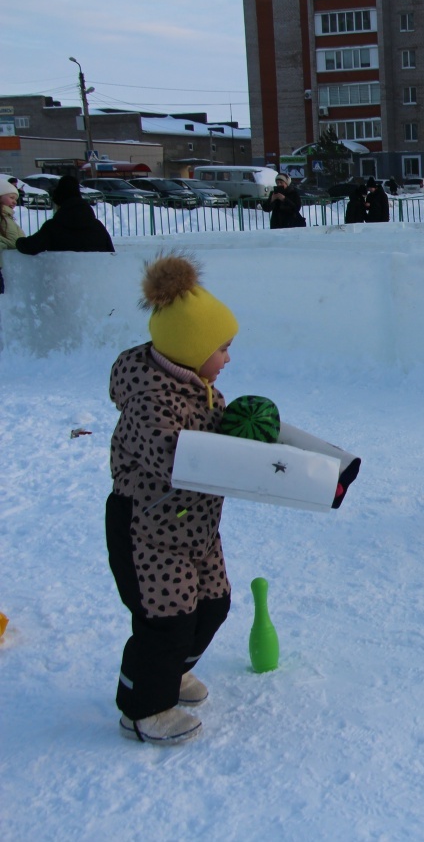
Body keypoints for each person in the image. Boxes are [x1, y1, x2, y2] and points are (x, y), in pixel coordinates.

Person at [107, 253, 240, 745]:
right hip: (149, 530)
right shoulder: (150, 399)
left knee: (213, 605)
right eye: (222, 348)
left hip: (197, 526)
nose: (227, 358)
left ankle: (170, 675)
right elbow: (176, 458)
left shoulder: (200, 388)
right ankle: (143, 709)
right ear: (190, 347)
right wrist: (240, 458)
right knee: (165, 621)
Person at [15, 175, 114, 254]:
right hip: (94, 277)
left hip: (64, 277)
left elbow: (30, 247)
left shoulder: (52, 227)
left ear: (59, 205)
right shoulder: (98, 227)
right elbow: (110, 253)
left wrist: (17, 241)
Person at [1, 178, 26, 293]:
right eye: (11, 198)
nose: (15, 202)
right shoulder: (3, 217)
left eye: (16, 199)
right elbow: (13, 241)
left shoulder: (8, 217)